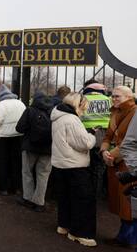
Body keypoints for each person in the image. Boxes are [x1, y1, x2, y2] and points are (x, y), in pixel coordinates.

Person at [51, 92, 97, 247]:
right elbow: (85, 144)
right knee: (83, 200)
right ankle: (79, 233)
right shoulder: (71, 120)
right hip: (75, 166)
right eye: (83, 107)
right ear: (78, 104)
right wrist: (91, 135)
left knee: (65, 197)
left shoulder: (58, 116)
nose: (84, 110)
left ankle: (64, 225)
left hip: (60, 163)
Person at [100, 85, 137, 247]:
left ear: (129, 97)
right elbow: (108, 136)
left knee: (128, 203)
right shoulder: (114, 111)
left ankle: (129, 238)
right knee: (119, 201)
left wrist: (111, 156)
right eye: (113, 96)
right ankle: (123, 236)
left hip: (128, 163)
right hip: (113, 161)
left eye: (118, 96)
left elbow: (129, 143)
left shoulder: (134, 112)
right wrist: (103, 151)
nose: (114, 99)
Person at [15, 91, 53, 212]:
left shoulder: (30, 110)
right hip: (48, 149)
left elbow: (19, 127)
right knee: (43, 175)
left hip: (30, 147)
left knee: (27, 173)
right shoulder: (52, 111)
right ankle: (39, 202)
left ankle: (27, 198)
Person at [0, 84, 25, 195]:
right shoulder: (20, 103)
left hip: (3, 138)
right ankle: (16, 187)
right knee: (16, 162)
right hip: (18, 136)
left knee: (2, 162)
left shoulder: (1, 105)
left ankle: (3, 187)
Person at [80, 79, 111, 198]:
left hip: (87, 132)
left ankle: (86, 191)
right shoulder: (109, 100)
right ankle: (97, 192)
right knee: (100, 166)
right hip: (104, 134)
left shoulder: (83, 100)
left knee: (85, 164)